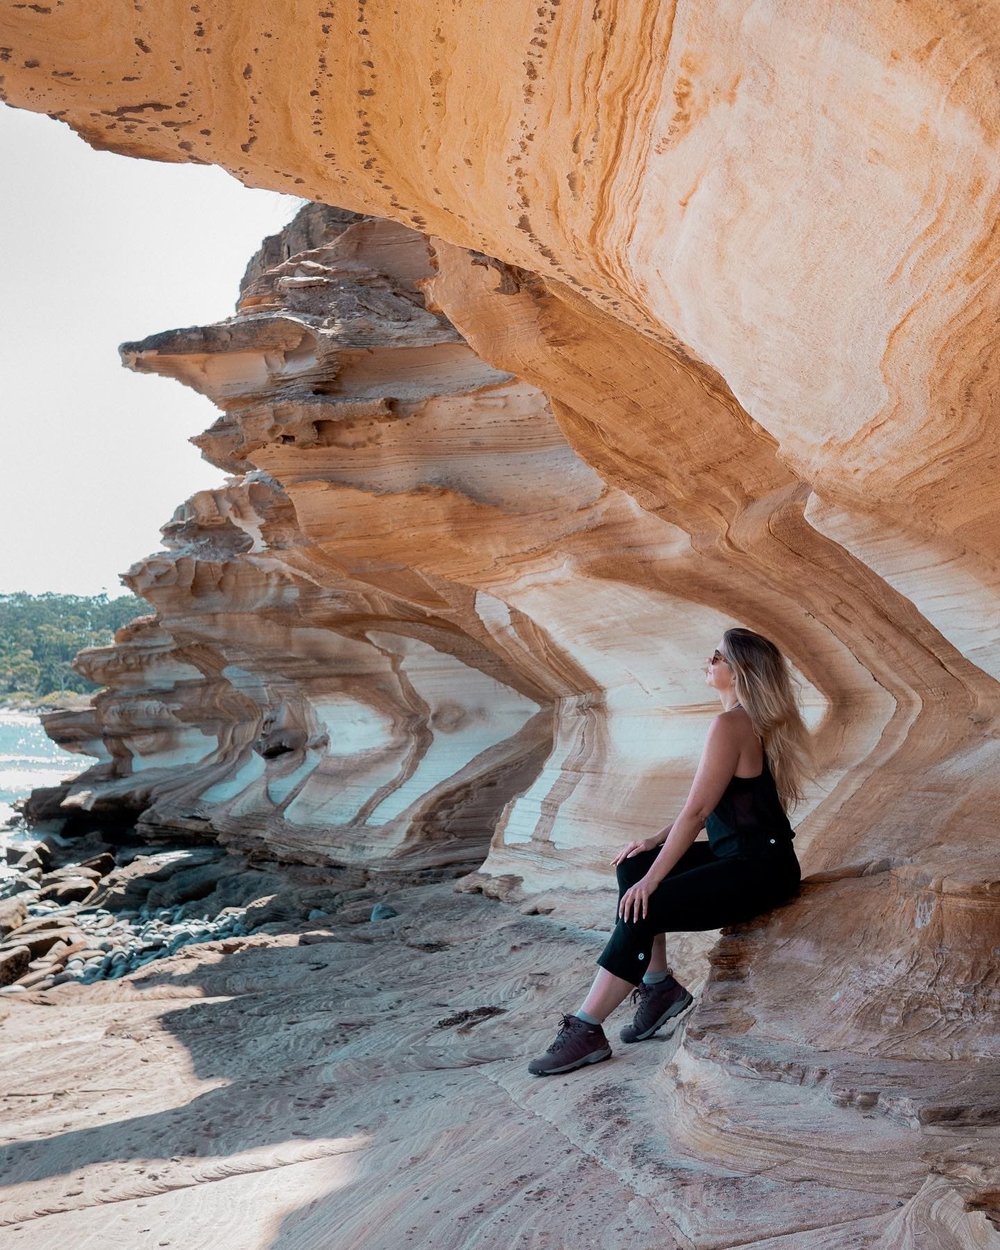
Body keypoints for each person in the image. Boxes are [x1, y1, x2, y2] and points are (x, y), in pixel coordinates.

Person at [528, 627, 811, 1076]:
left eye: (717, 657)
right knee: (635, 864)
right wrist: (654, 846)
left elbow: (698, 811)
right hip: (747, 858)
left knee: (646, 902)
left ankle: (586, 1027)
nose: (709, 662)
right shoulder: (742, 720)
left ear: (739, 672)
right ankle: (658, 986)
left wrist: (654, 880)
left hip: (759, 869)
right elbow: (705, 801)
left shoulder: (732, 724)